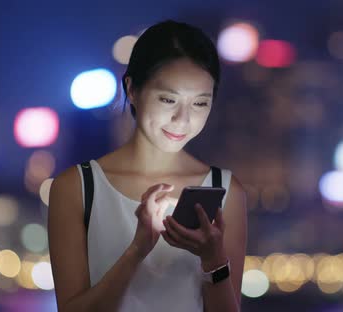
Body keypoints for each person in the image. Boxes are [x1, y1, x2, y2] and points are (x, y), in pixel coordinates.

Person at [48, 20, 247, 312]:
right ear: (131, 89)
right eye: (168, 99)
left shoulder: (225, 190)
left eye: (200, 103)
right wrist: (137, 250)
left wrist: (213, 260)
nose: (183, 119)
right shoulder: (77, 187)